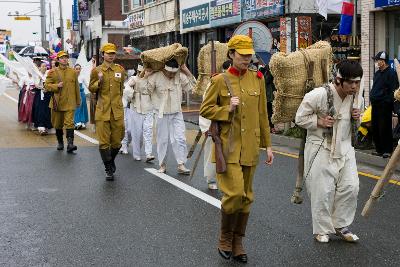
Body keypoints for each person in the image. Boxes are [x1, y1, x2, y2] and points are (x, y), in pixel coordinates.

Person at [200, 35, 274, 263]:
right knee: (234, 194)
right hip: (229, 147)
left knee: (247, 197)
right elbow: (205, 109)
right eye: (242, 55)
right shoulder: (220, 80)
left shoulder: (258, 78)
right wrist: (226, 110)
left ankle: (238, 241)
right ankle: (225, 237)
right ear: (231, 54)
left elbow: (262, 114)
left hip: (250, 147)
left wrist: (268, 145)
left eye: (249, 54)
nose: (247, 58)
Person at [295, 59, 363, 243]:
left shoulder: (357, 97)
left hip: (346, 146)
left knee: (351, 187)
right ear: (339, 80)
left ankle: (341, 225)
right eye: (351, 82)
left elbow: (358, 120)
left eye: (357, 82)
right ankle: (322, 229)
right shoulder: (318, 94)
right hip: (321, 146)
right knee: (323, 191)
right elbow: (300, 118)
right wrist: (319, 122)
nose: (354, 86)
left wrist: (357, 117)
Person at [145, 59, 195, 174]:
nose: (171, 75)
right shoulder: (155, 76)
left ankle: (181, 164)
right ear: (164, 68)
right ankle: (162, 164)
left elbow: (192, 88)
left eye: (174, 72)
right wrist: (146, 76)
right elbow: (145, 90)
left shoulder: (179, 75)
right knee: (162, 140)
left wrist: (187, 71)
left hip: (177, 111)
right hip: (160, 113)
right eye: (169, 72)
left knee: (180, 138)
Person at [89, 43, 126, 181]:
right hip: (102, 110)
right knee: (104, 142)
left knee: (117, 141)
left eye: (113, 53)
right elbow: (91, 88)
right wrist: (98, 82)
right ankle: (108, 168)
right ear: (102, 54)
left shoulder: (120, 70)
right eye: (108, 53)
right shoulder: (96, 71)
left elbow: (121, 89)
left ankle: (110, 161)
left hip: (116, 111)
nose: (111, 55)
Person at [198, 60, 231, 190]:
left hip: (230, 125)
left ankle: (227, 180)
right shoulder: (215, 82)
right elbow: (206, 107)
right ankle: (211, 178)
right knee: (213, 152)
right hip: (215, 124)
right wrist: (206, 127)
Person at [45, 51, 81, 153]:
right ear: (58, 60)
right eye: (62, 58)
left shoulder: (73, 72)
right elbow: (46, 86)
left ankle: (70, 144)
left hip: (70, 102)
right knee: (57, 124)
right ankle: (60, 142)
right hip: (58, 103)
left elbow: (76, 87)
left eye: (66, 57)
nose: (64, 59)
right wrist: (56, 86)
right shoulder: (52, 72)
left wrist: (78, 100)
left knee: (69, 123)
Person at [370, 51, 399, 158]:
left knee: (384, 127)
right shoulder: (377, 73)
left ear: (383, 61)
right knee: (376, 127)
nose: (376, 62)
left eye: (378, 60)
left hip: (384, 106)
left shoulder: (391, 73)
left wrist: (387, 102)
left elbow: (393, 91)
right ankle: (379, 149)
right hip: (375, 105)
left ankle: (387, 150)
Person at [125, 64, 155, 162]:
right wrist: (132, 94)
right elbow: (126, 89)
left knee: (148, 130)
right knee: (136, 133)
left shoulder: (152, 79)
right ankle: (136, 153)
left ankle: (148, 153)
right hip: (136, 108)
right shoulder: (134, 78)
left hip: (149, 107)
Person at [34, 62, 53, 135]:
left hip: (47, 94)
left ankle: (47, 125)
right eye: (43, 66)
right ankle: (41, 126)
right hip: (40, 94)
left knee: (48, 110)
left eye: (45, 66)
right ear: (40, 67)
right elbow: (36, 85)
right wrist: (40, 82)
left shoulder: (48, 75)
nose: (44, 67)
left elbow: (51, 83)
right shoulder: (37, 75)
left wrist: (47, 88)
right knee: (40, 110)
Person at [73, 64, 89, 129]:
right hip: (74, 95)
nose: (78, 70)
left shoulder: (82, 77)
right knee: (76, 109)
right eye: (76, 69)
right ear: (74, 69)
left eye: (79, 69)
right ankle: (77, 122)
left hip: (82, 94)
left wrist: (93, 90)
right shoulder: (72, 77)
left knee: (83, 108)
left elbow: (88, 85)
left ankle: (82, 122)